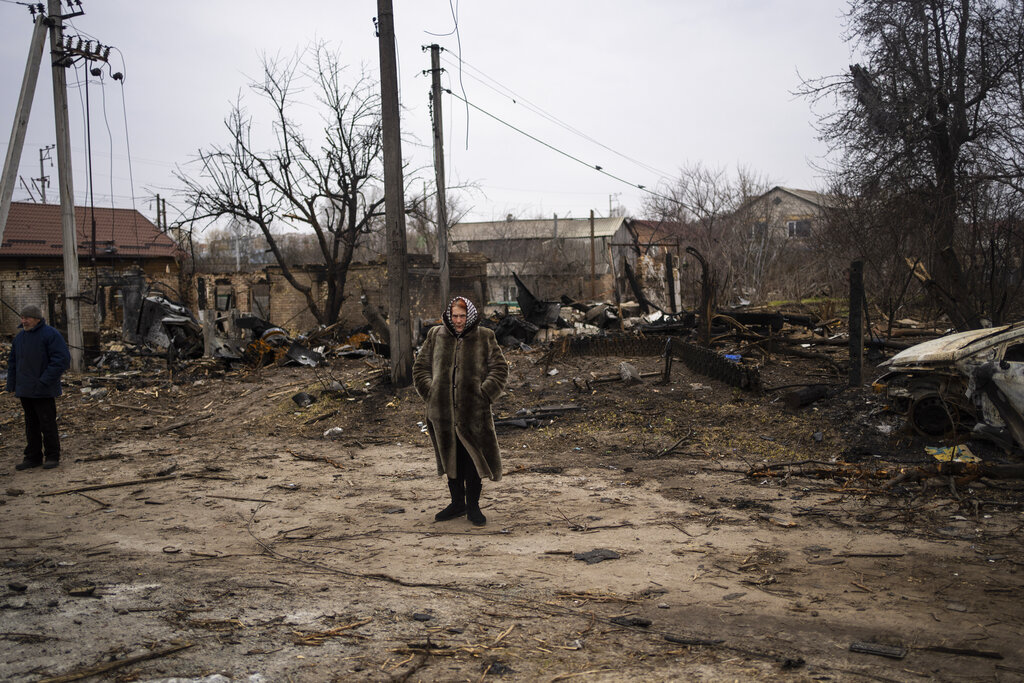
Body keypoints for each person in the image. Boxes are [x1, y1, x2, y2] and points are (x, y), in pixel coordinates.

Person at [413, 296, 508, 526]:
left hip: (472, 413)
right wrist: (431, 392)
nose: (458, 321)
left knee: (472, 460)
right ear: (449, 315)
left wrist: (484, 394)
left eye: (462, 316)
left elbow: (500, 369)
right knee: (450, 457)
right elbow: (420, 368)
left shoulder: (485, 337)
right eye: (455, 316)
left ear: (471, 316)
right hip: (442, 412)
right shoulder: (436, 335)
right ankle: (457, 503)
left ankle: (473, 506)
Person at [5, 304, 71, 470]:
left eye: (27, 318)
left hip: (43, 389)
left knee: (47, 423)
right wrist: (12, 384)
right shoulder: (20, 338)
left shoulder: (50, 335)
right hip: (25, 389)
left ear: (37, 319)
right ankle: (33, 457)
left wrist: (44, 381)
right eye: (22, 317)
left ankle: (52, 456)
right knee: (31, 424)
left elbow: (61, 360)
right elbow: (13, 362)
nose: (24, 321)